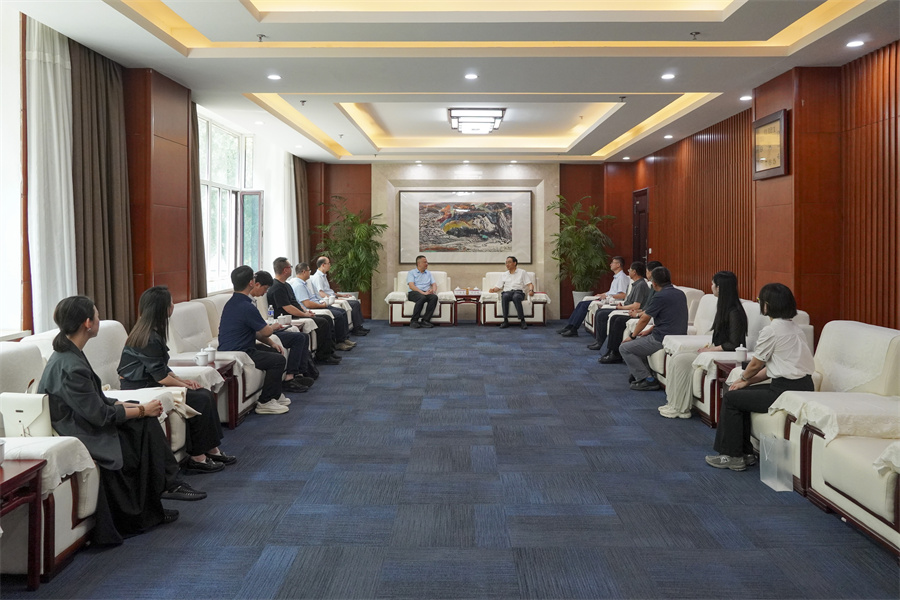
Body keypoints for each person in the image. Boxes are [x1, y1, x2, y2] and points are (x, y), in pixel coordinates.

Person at [39, 296, 206, 545]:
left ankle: (161, 496)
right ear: (87, 323)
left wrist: (130, 406)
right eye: (97, 315)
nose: (99, 319)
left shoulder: (70, 354)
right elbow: (99, 416)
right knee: (142, 423)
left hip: (84, 419)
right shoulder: (70, 365)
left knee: (144, 419)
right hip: (79, 429)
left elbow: (96, 400)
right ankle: (163, 490)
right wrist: (140, 411)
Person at [118, 286, 237, 472]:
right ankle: (198, 457)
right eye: (171, 303)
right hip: (140, 388)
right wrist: (183, 385)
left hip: (150, 382)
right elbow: (161, 377)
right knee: (200, 398)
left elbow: (162, 369)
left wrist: (183, 381)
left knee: (202, 393)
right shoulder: (148, 337)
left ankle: (211, 449)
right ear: (163, 308)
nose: (173, 305)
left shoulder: (151, 332)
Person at [706, 283, 815, 471]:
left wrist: (744, 378)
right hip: (802, 385)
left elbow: (756, 364)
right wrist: (745, 382)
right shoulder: (796, 328)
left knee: (731, 398)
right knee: (740, 395)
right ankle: (745, 453)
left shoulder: (772, 330)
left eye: (759, 300)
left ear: (767, 305)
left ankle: (732, 456)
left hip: (783, 391)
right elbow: (773, 368)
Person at [658, 271, 748, 419]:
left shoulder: (735, 312)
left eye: (713, 284)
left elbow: (734, 343)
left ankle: (681, 408)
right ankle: (673, 403)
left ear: (719, 287)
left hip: (723, 353)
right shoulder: (724, 307)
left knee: (681, 360)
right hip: (715, 350)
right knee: (677, 356)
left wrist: (711, 349)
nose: (711, 287)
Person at [218, 266, 306, 415]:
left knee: (275, 352)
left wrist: (272, 343)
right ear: (251, 283)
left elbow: (256, 332)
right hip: (240, 351)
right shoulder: (246, 306)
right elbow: (266, 331)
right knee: (277, 361)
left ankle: (275, 395)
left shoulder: (233, 302)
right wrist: (274, 327)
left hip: (242, 346)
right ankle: (265, 401)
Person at [620, 266, 688, 391]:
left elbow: (644, 318)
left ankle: (647, 379)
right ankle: (645, 374)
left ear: (654, 283)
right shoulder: (680, 294)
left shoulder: (660, 296)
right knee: (638, 343)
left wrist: (632, 336)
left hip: (661, 338)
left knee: (624, 348)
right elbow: (669, 317)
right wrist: (649, 330)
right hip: (677, 335)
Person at [598, 260, 662, 364]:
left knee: (618, 320)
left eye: (647, 271)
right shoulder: (652, 287)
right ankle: (610, 350)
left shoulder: (654, 289)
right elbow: (647, 307)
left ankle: (615, 353)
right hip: (643, 313)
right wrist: (637, 311)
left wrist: (636, 313)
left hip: (647, 317)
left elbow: (647, 310)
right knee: (614, 318)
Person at [291, 262, 354, 352]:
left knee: (341, 312)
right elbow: (307, 304)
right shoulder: (299, 285)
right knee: (338, 315)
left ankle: (343, 339)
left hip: (318, 304)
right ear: (304, 272)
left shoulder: (304, 283)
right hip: (313, 308)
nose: (310, 272)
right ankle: (339, 342)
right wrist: (322, 305)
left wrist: (322, 303)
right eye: (309, 271)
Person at [559, 256, 629, 337]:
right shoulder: (616, 277)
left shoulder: (622, 278)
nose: (610, 264)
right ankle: (569, 326)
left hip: (612, 301)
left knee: (584, 305)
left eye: (612, 263)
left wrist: (607, 296)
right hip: (607, 298)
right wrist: (602, 294)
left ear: (618, 265)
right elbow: (612, 291)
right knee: (581, 303)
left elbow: (622, 295)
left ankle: (574, 329)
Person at [587, 261, 650, 351]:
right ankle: (600, 342)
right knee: (600, 312)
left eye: (630, 270)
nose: (628, 272)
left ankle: (610, 349)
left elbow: (636, 306)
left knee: (607, 316)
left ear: (634, 272)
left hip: (633, 311)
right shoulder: (635, 284)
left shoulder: (640, 285)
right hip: (627, 307)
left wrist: (621, 308)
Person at [310, 256, 369, 336]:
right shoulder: (318, 277)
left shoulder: (323, 276)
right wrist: (335, 298)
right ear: (323, 265)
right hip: (327, 299)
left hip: (331, 297)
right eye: (328, 263)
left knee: (355, 302)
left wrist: (342, 295)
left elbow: (329, 291)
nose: (330, 265)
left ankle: (358, 326)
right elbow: (321, 293)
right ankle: (356, 329)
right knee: (354, 304)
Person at [489, 256, 534, 329]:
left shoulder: (522, 272)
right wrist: (493, 289)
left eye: (509, 262)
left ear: (514, 263)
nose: (507, 264)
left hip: (519, 292)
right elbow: (498, 286)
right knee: (505, 296)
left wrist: (531, 290)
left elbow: (529, 284)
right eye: (506, 263)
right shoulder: (504, 274)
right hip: (507, 292)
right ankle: (505, 321)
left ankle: (522, 321)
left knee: (516, 297)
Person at [406, 255, 438, 328]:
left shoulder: (428, 273)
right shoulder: (411, 272)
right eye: (425, 262)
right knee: (422, 298)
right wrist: (423, 293)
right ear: (419, 264)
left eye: (427, 262)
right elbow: (411, 286)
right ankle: (414, 321)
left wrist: (433, 290)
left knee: (434, 297)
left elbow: (434, 284)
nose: (427, 264)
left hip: (425, 293)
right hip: (414, 293)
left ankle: (425, 321)